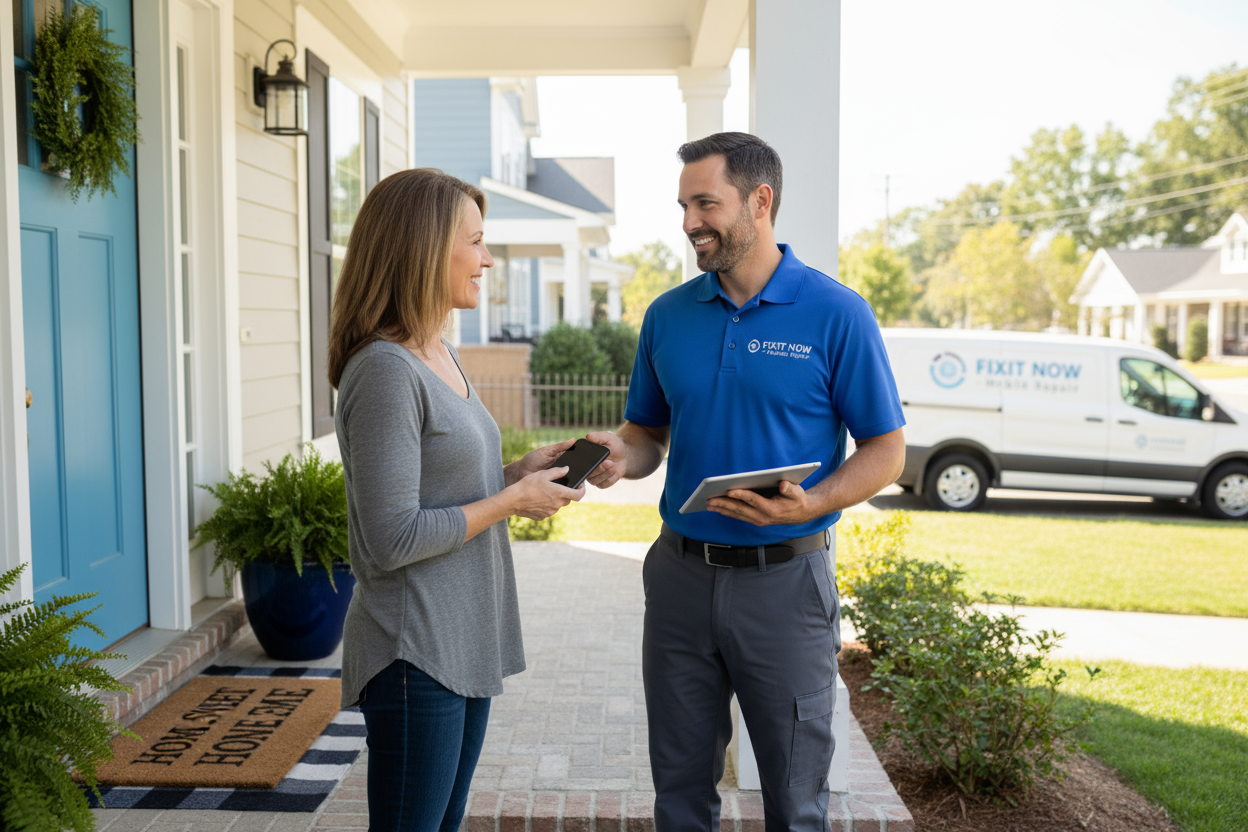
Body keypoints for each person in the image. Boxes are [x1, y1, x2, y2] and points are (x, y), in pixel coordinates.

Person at [586, 133, 906, 832]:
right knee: (679, 793)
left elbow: (886, 449)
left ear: (760, 202)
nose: (689, 222)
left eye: (706, 203)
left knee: (796, 803)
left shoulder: (836, 313)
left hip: (786, 586)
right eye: (683, 205)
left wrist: (815, 501)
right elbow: (648, 436)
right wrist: (618, 454)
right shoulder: (667, 316)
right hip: (679, 580)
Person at [328, 168, 584, 832]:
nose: (488, 259)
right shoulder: (385, 370)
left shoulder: (437, 351)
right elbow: (393, 538)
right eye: (475, 242)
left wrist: (520, 471)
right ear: (424, 249)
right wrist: (512, 501)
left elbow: (443, 485)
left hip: (461, 636)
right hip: (415, 648)